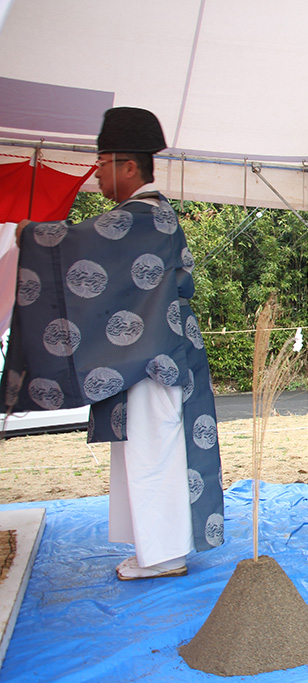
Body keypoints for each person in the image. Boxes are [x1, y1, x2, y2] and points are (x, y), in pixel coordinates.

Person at [2, 107, 224, 580]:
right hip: (150, 350)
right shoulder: (142, 216)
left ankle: (163, 556)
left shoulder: (145, 216)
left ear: (127, 165)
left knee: (155, 449)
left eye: (102, 162)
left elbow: (86, 244)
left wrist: (33, 236)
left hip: (156, 355)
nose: (96, 172)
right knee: (144, 448)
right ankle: (156, 548)